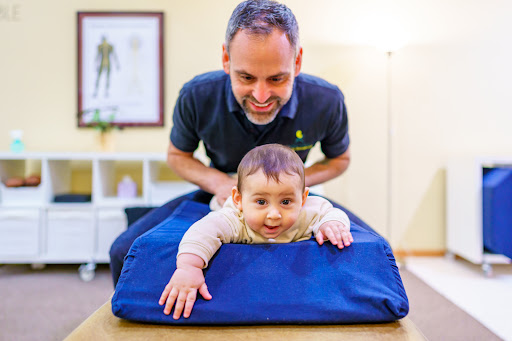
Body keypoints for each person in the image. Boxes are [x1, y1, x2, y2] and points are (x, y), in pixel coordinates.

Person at [110, 0, 374, 288]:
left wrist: (286, 186)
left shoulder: (326, 100)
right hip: (220, 190)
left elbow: (339, 159)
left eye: (277, 78)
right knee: (124, 251)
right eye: (246, 77)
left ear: (297, 62)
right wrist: (221, 184)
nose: (261, 96)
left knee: (373, 250)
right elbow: (178, 156)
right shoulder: (196, 96)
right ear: (226, 58)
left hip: (292, 197)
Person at [158, 144, 354, 319]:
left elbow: (331, 213)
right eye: (261, 202)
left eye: (286, 202)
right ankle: (226, 200)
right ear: (239, 199)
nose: (274, 214)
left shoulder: (308, 211)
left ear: (302, 199)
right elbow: (204, 231)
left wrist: (331, 225)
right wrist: (189, 267)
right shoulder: (235, 218)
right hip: (226, 206)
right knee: (217, 208)